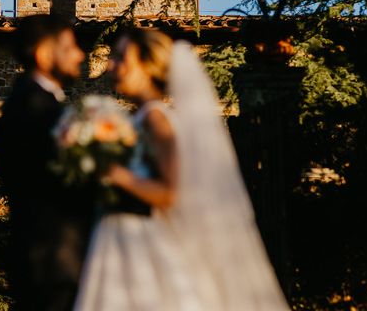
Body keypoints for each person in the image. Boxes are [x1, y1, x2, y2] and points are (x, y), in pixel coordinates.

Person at [74, 28, 290, 311]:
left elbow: (170, 193)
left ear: (148, 65)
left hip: (144, 246)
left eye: (121, 57)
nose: (111, 65)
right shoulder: (137, 119)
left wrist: (112, 172)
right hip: (120, 242)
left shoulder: (156, 119)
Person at [0, 14, 94, 311]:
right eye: (69, 46)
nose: (80, 54)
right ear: (43, 54)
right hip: (53, 261)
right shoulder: (35, 106)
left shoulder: (36, 101)